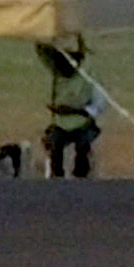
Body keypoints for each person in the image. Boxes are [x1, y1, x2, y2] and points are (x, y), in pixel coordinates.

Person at [38, 42, 100, 179]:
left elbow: (98, 105)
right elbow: (43, 53)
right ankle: (57, 176)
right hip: (60, 125)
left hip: (83, 124)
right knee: (55, 144)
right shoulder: (57, 77)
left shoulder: (86, 78)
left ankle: (81, 175)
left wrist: (74, 110)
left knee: (83, 146)